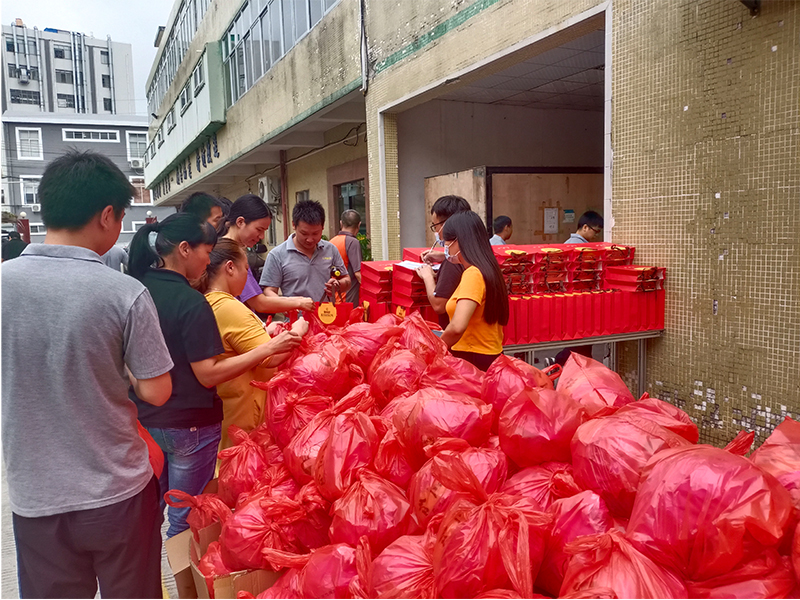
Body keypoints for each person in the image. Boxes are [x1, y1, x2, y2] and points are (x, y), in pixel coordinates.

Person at [2, 150, 173, 598]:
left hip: (36, 495)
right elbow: (157, 391)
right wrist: (119, 371)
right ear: (106, 215)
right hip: (117, 490)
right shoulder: (124, 293)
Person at [127, 213, 302, 537]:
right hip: (190, 424)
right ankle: (183, 568)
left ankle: (147, 565)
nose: (208, 261)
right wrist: (268, 348)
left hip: (147, 419)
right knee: (187, 518)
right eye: (206, 252)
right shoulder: (191, 302)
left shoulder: (137, 291)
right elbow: (207, 374)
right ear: (184, 249)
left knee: (150, 511)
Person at [200, 238, 309, 449]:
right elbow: (271, 357)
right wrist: (298, 331)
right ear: (230, 268)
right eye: (245, 269)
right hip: (243, 410)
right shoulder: (229, 307)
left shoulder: (208, 301)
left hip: (228, 403)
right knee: (239, 461)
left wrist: (264, 332)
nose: (246, 277)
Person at [439, 210, 509, 371]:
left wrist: (436, 348)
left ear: (459, 241)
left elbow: (457, 327)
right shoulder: (488, 269)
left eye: (446, 242)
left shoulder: (473, 274)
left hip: (472, 359)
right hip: (488, 356)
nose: (446, 247)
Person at [222, 194, 314, 315]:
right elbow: (259, 303)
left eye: (264, 231)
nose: (262, 237)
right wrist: (298, 303)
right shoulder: (231, 254)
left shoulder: (230, 249)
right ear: (240, 222)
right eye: (259, 230)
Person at [260, 199, 350, 304]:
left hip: (326, 313)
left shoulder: (330, 250)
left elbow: (346, 280)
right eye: (304, 233)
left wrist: (338, 285)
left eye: (315, 233)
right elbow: (269, 290)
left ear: (322, 226)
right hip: (295, 314)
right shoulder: (277, 255)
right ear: (294, 225)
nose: (310, 239)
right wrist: (288, 305)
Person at [416, 195, 471, 328]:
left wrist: (428, 277)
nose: (436, 233)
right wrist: (444, 256)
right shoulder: (478, 254)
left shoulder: (453, 264)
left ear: (447, 226)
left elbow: (439, 305)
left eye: (435, 226)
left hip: (459, 336)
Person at [330, 209, 363, 304]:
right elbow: (358, 273)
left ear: (341, 223)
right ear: (359, 225)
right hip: (347, 298)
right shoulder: (353, 242)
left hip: (333, 295)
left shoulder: (332, 242)